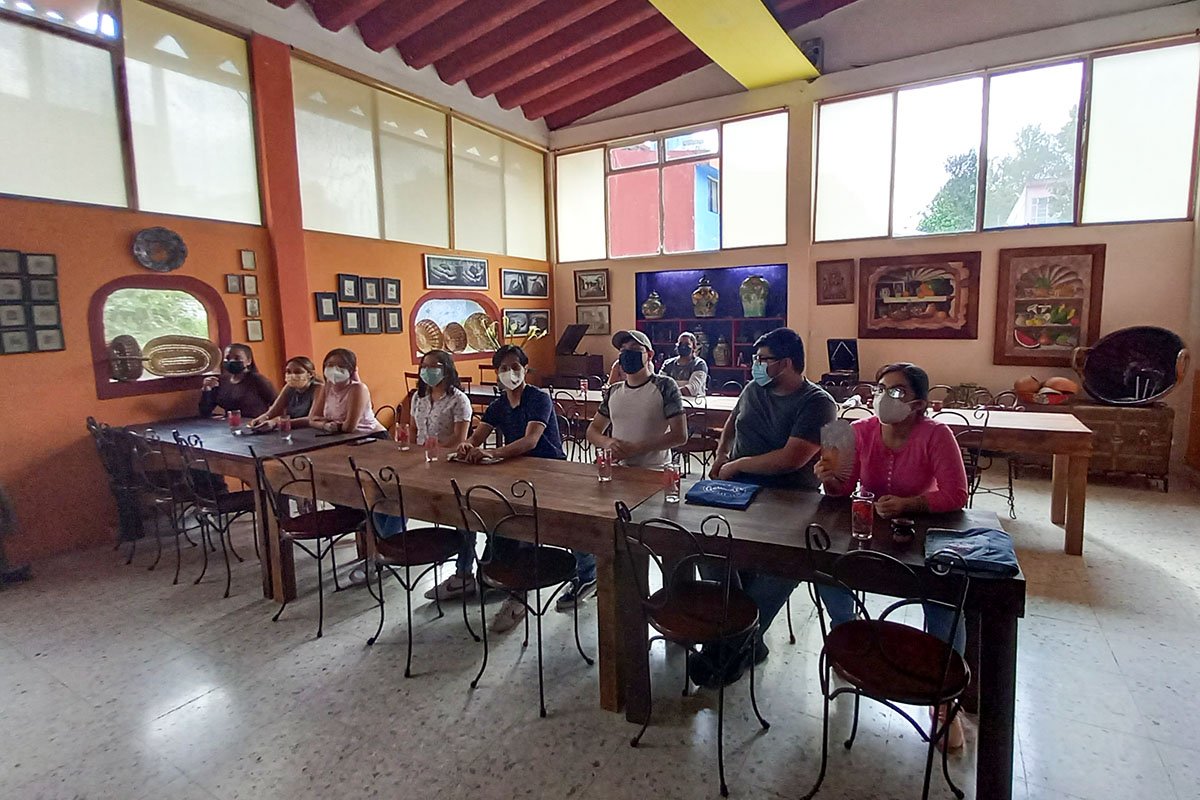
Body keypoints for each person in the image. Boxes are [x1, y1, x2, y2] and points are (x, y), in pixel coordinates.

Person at [814, 362, 969, 749]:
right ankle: (845, 632)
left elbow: (955, 495)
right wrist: (828, 478)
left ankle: (945, 696)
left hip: (921, 531)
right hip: (868, 527)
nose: (884, 397)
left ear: (918, 404)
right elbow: (840, 491)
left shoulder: (936, 435)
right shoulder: (856, 430)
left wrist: (909, 503)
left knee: (944, 595)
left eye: (896, 391)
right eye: (881, 388)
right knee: (826, 565)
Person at [695, 328, 836, 688]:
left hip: (789, 501)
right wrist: (722, 456)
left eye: (762, 360)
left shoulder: (817, 403)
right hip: (734, 491)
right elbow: (730, 425)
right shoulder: (753, 389)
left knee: (781, 568)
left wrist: (738, 465)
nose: (754, 366)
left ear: (786, 363)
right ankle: (743, 640)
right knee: (707, 547)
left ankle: (728, 646)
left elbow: (792, 458)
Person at [448, 345, 582, 632]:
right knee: (498, 512)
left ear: (525, 368)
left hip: (548, 469)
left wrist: (492, 454)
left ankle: (521, 589)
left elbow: (531, 441)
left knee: (524, 520)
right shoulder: (498, 405)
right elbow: (478, 436)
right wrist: (468, 446)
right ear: (497, 373)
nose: (510, 373)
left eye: (515, 367)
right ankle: (500, 567)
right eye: (504, 368)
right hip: (514, 470)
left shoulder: (538, 398)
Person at [586, 329, 688, 468]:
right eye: (623, 350)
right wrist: (608, 443)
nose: (628, 354)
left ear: (649, 355)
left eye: (635, 349)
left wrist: (635, 449)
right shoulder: (613, 391)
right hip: (618, 468)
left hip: (654, 470)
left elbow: (679, 435)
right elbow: (593, 430)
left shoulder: (665, 386)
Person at [308, 348, 388, 438]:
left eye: (341, 366)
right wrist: (325, 425)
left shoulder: (358, 389)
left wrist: (328, 422)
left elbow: (349, 427)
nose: (335, 370)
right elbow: (312, 419)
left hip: (371, 437)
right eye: (330, 365)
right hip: (342, 437)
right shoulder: (327, 387)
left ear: (350, 370)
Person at [405, 349, 472, 451]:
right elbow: (413, 428)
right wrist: (412, 450)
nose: (427, 370)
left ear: (446, 369)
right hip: (419, 454)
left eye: (433, 366)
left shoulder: (458, 400)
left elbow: (459, 438)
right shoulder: (418, 396)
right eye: (424, 366)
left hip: (445, 455)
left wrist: (432, 450)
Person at [199, 343, 276, 420]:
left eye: (237, 358)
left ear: (248, 361)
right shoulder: (222, 381)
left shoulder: (257, 380)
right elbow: (205, 411)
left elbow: (277, 404)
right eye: (227, 358)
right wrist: (207, 389)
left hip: (254, 425)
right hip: (230, 426)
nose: (231, 361)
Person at [250, 356, 321, 430]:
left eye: (298, 372)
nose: (292, 375)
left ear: (310, 374)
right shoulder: (289, 387)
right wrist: (262, 418)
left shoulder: (319, 388)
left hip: (311, 432)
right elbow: (273, 412)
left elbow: (312, 419)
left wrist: (277, 422)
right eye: (288, 372)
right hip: (292, 430)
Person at [659, 331, 708, 397]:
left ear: (694, 347)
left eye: (687, 344)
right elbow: (660, 386)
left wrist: (669, 391)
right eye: (680, 344)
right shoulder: (668, 364)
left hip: (693, 404)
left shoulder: (699, 364)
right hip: (671, 403)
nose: (683, 347)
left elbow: (692, 390)